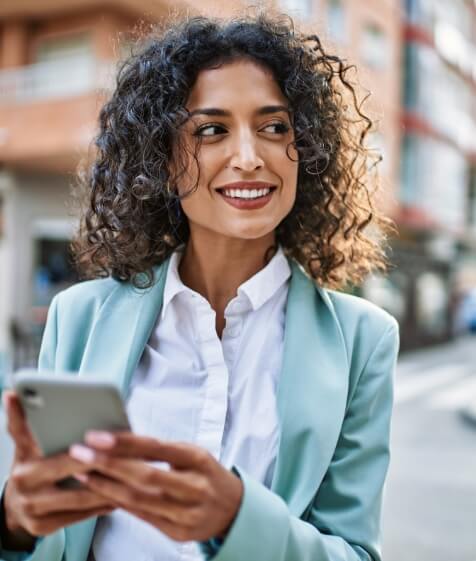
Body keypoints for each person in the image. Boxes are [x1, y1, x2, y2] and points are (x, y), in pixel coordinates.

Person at [0, 12, 400, 561]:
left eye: (275, 127)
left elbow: (355, 552)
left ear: (304, 149)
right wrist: (16, 526)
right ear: (164, 159)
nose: (248, 157)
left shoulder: (363, 340)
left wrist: (240, 519)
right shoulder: (79, 318)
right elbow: (45, 529)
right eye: (212, 130)